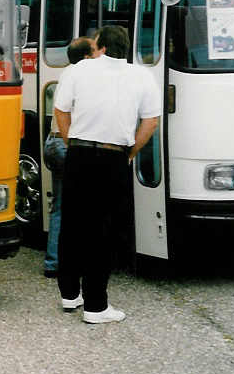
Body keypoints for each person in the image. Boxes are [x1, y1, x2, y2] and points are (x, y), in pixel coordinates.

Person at [52, 25, 161, 324]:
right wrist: (131, 153)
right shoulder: (142, 76)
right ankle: (96, 307)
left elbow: (61, 111)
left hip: (79, 152)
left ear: (99, 45)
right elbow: (151, 121)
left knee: (72, 223)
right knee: (103, 230)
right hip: (115, 156)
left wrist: (71, 142)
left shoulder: (77, 70)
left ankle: (70, 294)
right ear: (125, 47)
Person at [42, 36, 96, 278]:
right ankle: (81, 262)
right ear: (86, 56)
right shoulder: (84, 76)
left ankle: (54, 262)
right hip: (68, 144)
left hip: (53, 142)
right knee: (83, 208)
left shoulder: (67, 73)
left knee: (61, 207)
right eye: (95, 51)